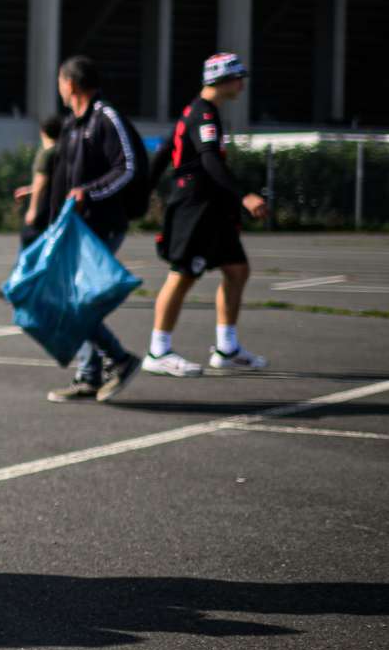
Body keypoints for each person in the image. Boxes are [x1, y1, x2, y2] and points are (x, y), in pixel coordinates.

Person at [144, 53, 271, 377]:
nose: (242, 84)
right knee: (183, 274)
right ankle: (157, 350)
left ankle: (227, 349)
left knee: (237, 270)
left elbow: (162, 153)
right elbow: (210, 160)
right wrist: (244, 195)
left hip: (211, 209)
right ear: (222, 80)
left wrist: (142, 190)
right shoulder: (203, 114)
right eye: (238, 77)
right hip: (195, 207)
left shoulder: (196, 111)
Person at [44, 56, 143, 404]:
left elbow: (128, 166)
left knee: (76, 304)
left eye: (59, 81)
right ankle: (89, 374)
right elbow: (66, 175)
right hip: (73, 228)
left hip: (102, 225)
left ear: (71, 84)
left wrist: (91, 193)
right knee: (70, 302)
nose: (58, 88)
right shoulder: (72, 123)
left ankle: (119, 359)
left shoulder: (106, 118)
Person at [18, 114, 65, 248]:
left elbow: (41, 182)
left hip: (42, 209)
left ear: (42, 132)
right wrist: (29, 190)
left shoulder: (46, 154)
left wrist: (32, 210)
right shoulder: (64, 152)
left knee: (29, 247)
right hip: (56, 210)